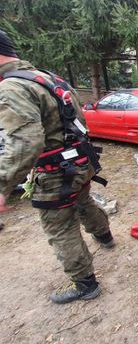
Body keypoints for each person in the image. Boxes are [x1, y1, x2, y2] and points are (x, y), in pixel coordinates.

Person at [0, 29, 114, 304]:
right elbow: (80, 120)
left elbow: (26, 143)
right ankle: (105, 236)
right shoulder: (48, 79)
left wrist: (2, 184)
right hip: (81, 160)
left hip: (56, 172)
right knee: (84, 202)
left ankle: (85, 284)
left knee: (60, 228)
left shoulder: (12, 88)